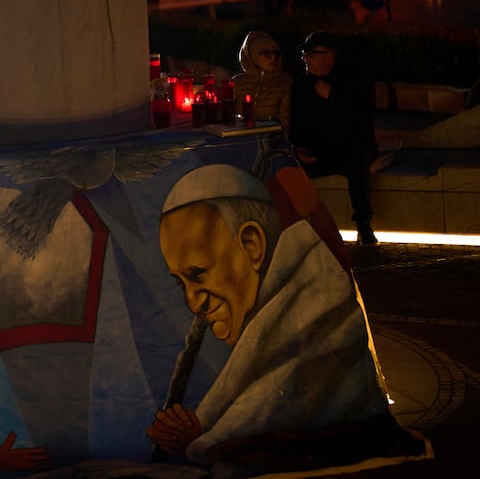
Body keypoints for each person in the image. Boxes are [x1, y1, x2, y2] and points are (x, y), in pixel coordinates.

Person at [147, 164, 393, 465]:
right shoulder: (272, 310)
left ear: (252, 245)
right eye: (180, 282)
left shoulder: (319, 306)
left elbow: (267, 425)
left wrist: (199, 443)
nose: (192, 302)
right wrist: (199, 430)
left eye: (198, 274)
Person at [289, 31, 379, 244]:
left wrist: (332, 97)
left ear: (329, 55)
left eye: (311, 54)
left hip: (350, 149)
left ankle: (363, 225)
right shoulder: (302, 85)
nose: (305, 58)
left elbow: (360, 121)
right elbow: (298, 125)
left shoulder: (355, 80)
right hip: (317, 153)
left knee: (356, 163)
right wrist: (298, 148)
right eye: (304, 54)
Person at [232, 30, 291, 131]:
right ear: (253, 55)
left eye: (274, 52)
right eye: (266, 53)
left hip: (271, 139)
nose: (272, 57)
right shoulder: (237, 83)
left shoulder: (285, 83)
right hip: (238, 137)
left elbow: (286, 117)